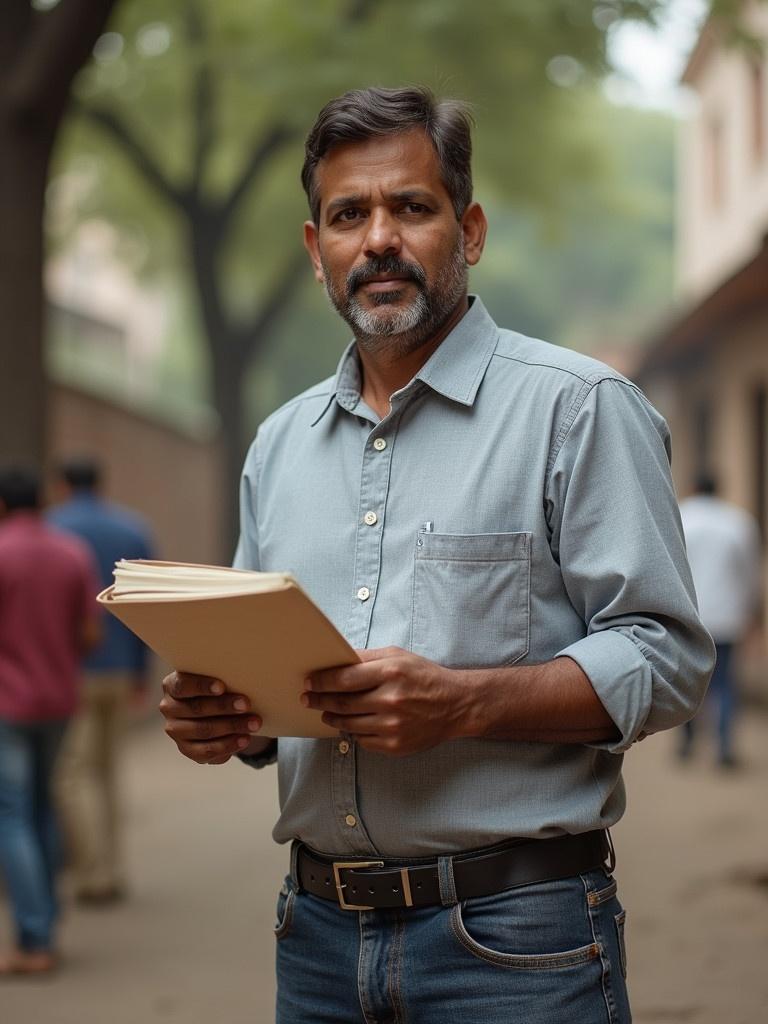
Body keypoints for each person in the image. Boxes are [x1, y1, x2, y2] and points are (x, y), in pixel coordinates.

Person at [159, 87, 714, 1023]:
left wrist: (465, 701)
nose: (379, 238)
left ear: (471, 230)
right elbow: (264, 695)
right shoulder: (278, 445)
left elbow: (667, 658)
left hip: (516, 943)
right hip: (316, 941)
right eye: (349, 215)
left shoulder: (577, 409)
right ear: (316, 250)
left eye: (411, 207)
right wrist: (228, 720)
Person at [0, 466, 100, 975]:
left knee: (12, 813)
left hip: (7, 704)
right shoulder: (71, 552)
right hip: (59, 700)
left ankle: (34, 937)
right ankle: (46, 920)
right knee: (42, 805)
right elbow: (89, 634)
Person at [48, 457, 154, 904]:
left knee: (73, 774)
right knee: (109, 772)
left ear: (62, 484)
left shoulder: (52, 529)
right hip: (120, 668)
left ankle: (91, 873)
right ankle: (112, 868)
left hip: (73, 671)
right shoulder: (132, 529)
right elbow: (149, 603)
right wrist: (140, 670)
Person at [678, 474, 761, 768]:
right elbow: (750, 572)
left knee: (686, 680)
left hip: (688, 615)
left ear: (693, 487)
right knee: (725, 682)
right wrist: (753, 610)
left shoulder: (681, 517)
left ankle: (687, 742)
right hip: (727, 615)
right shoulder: (738, 522)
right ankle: (724, 747)